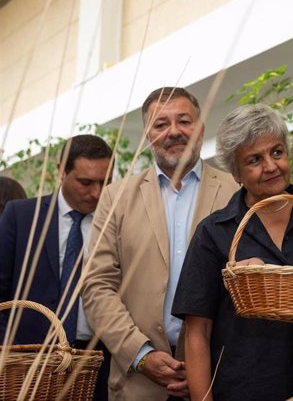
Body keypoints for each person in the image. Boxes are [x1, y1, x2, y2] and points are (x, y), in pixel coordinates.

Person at [82, 87, 237, 400]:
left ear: (201, 128)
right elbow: (96, 286)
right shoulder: (117, 197)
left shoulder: (235, 191)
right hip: (139, 383)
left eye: (184, 121)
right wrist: (140, 355)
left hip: (219, 378)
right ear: (148, 135)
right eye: (161, 124)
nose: (174, 132)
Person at [171, 103, 293, 401]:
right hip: (241, 389)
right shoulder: (215, 232)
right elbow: (198, 333)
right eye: (254, 160)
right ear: (236, 174)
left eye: (277, 152)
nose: (271, 166)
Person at [0, 134, 113, 400]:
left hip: (96, 361)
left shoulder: (115, 222)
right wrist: (11, 350)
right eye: (86, 182)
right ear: (61, 171)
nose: (96, 193)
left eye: (104, 182)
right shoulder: (21, 216)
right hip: (27, 362)